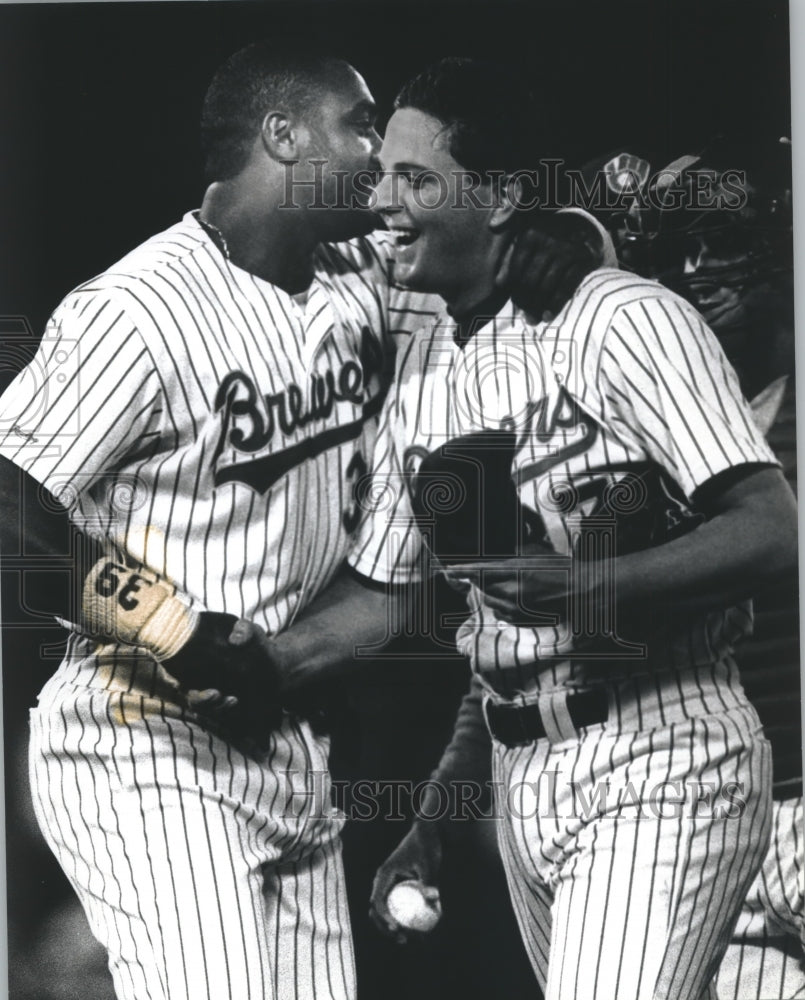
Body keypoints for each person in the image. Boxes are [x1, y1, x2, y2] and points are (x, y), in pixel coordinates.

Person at [282, 58, 798, 1000]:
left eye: (416, 179)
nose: (383, 202)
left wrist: (585, 588)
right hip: (529, 771)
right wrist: (232, 660)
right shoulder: (432, 370)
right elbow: (396, 605)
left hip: (665, 743)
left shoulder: (620, 319)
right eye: (383, 176)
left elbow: (771, 533)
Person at [0, 42, 451, 1000]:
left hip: (287, 735)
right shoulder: (139, 309)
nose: (376, 150)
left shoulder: (364, 278)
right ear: (280, 135)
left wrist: (578, 231)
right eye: (358, 123)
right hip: (140, 734)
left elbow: (498, 254)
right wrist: (168, 624)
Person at [587, 141, 803, 999]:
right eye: (676, 250)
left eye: (721, 242)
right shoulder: (634, 446)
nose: (696, 270)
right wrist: (439, 805)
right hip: (719, 819)